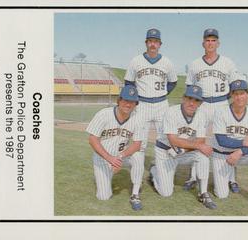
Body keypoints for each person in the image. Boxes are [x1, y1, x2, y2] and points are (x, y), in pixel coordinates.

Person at [184, 28, 239, 192]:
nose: (210, 43)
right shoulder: (194, 64)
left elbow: (235, 87)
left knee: (226, 139)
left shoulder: (228, 63)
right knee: (196, 138)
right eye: (207, 40)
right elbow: (189, 88)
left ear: (218, 43)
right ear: (203, 43)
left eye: (213, 40)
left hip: (221, 102)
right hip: (202, 105)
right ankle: (193, 176)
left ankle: (231, 178)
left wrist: (227, 102)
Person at [149, 85, 217, 209]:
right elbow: (173, 140)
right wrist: (196, 146)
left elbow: (201, 140)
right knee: (166, 193)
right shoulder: (171, 112)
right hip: (165, 152)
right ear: (183, 98)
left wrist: (185, 149)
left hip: (184, 151)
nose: (192, 103)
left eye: (196, 100)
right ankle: (154, 171)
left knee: (203, 155)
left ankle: (203, 193)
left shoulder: (201, 115)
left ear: (200, 103)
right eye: (189, 98)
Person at [211, 79, 248, 210]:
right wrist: (245, 142)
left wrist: (240, 152)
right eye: (235, 94)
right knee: (221, 195)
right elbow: (222, 141)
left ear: (247, 94)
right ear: (231, 95)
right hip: (220, 155)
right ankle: (229, 177)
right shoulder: (221, 112)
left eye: (242, 93)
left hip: (238, 154)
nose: (239, 97)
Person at [124, 28, 177, 169]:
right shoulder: (135, 61)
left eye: (156, 42)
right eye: (150, 41)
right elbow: (129, 83)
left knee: (164, 140)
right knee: (140, 141)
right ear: (146, 43)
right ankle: (137, 177)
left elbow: (173, 82)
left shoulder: (167, 62)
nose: (153, 44)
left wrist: (162, 93)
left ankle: (161, 172)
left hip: (161, 104)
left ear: (160, 44)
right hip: (142, 104)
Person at [86, 85, 145, 211]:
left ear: (136, 104)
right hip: (103, 157)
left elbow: (136, 144)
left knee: (139, 155)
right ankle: (104, 177)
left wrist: (119, 158)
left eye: (132, 101)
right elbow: (92, 139)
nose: (128, 104)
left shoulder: (138, 118)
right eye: (125, 100)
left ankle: (135, 194)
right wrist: (110, 159)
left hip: (122, 155)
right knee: (103, 197)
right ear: (119, 100)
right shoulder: (104, 114)